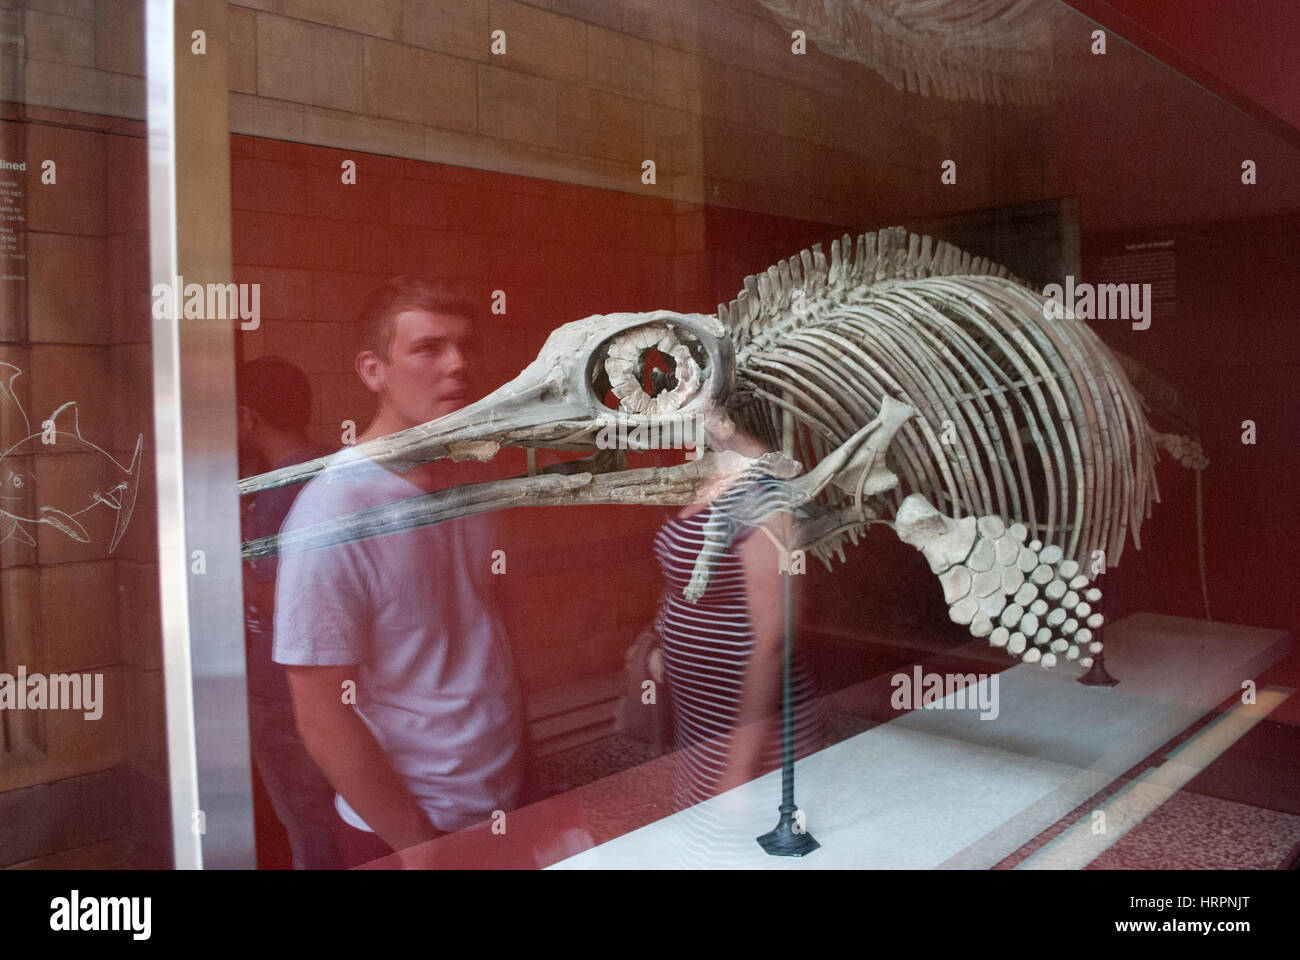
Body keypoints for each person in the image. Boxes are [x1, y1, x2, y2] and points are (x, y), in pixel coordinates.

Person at [272, 278, 525, 867]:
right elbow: (320, 712)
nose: (458, 365)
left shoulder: (478, 481)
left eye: (466, 347)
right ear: (372, 370)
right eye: (428, 348)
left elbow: (497, 634)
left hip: (501, 799)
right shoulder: (332, 514)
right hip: (406, 831)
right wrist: (417, 847)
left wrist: (525, 763)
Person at [649, 416, 827, 864]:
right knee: (701, 851)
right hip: (702, 723)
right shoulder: (702, 471)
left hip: (755, 735)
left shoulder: (764, 490)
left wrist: (738, 771)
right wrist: (659, 638)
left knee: (733, 855)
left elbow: (775, 639)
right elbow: (678, 575)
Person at [237, 356, 344, 870]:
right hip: (346, 681)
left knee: (309, 825)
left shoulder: (272, 493)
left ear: (248, 417)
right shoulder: (333, 465)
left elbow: (281, 604)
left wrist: (223, 552)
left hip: (284, 691)